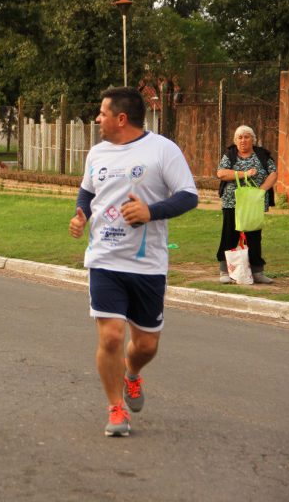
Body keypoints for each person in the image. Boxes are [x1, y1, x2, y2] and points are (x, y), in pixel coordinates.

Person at [69, 87, 199, 437]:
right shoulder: (96, 153)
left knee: (145, 345)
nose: (97, 118)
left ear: (121, 118)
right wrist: (80, 215)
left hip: (147, 265)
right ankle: (115, 408)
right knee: (111, 336)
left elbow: (189, 196)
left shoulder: (162, 150)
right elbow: (87, 191)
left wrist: (150, 211)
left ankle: (131, 373)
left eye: (102, 112)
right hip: (105, 259)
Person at [215, 125, 278, 284]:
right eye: (240, 137)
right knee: (229, 235)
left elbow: (273, 173)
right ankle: (225, 270)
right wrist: (244, 174)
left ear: (253, 139)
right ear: (235, 140)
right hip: (232, 202)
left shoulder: (262, 155)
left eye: (247, 137)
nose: (243, 140)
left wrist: (262, 190)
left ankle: (257, 272)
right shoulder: (230, 155)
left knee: (254, 236)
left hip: (254, 203)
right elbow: (221, 173)